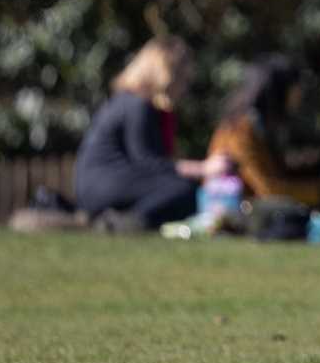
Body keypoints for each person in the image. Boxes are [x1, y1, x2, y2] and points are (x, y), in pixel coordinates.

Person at [74, 36, 230, 231]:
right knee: (183, 191)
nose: (185, 87)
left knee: (181, 189)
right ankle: (126, 222)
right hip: (103, 187)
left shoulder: (128, 101)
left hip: (98, 187)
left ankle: (120, 219)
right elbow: (148, 163)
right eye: (183, 78)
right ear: (166, 73)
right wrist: (203, 168)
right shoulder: (137, 105)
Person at [206, 54, 320, 208]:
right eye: (295, 88)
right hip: (235, 211)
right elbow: (268, 189)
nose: (299, 95)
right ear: (279, 91)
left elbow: (276, 173)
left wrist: (317, 162)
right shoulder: (240, 130)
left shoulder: (260, 126)